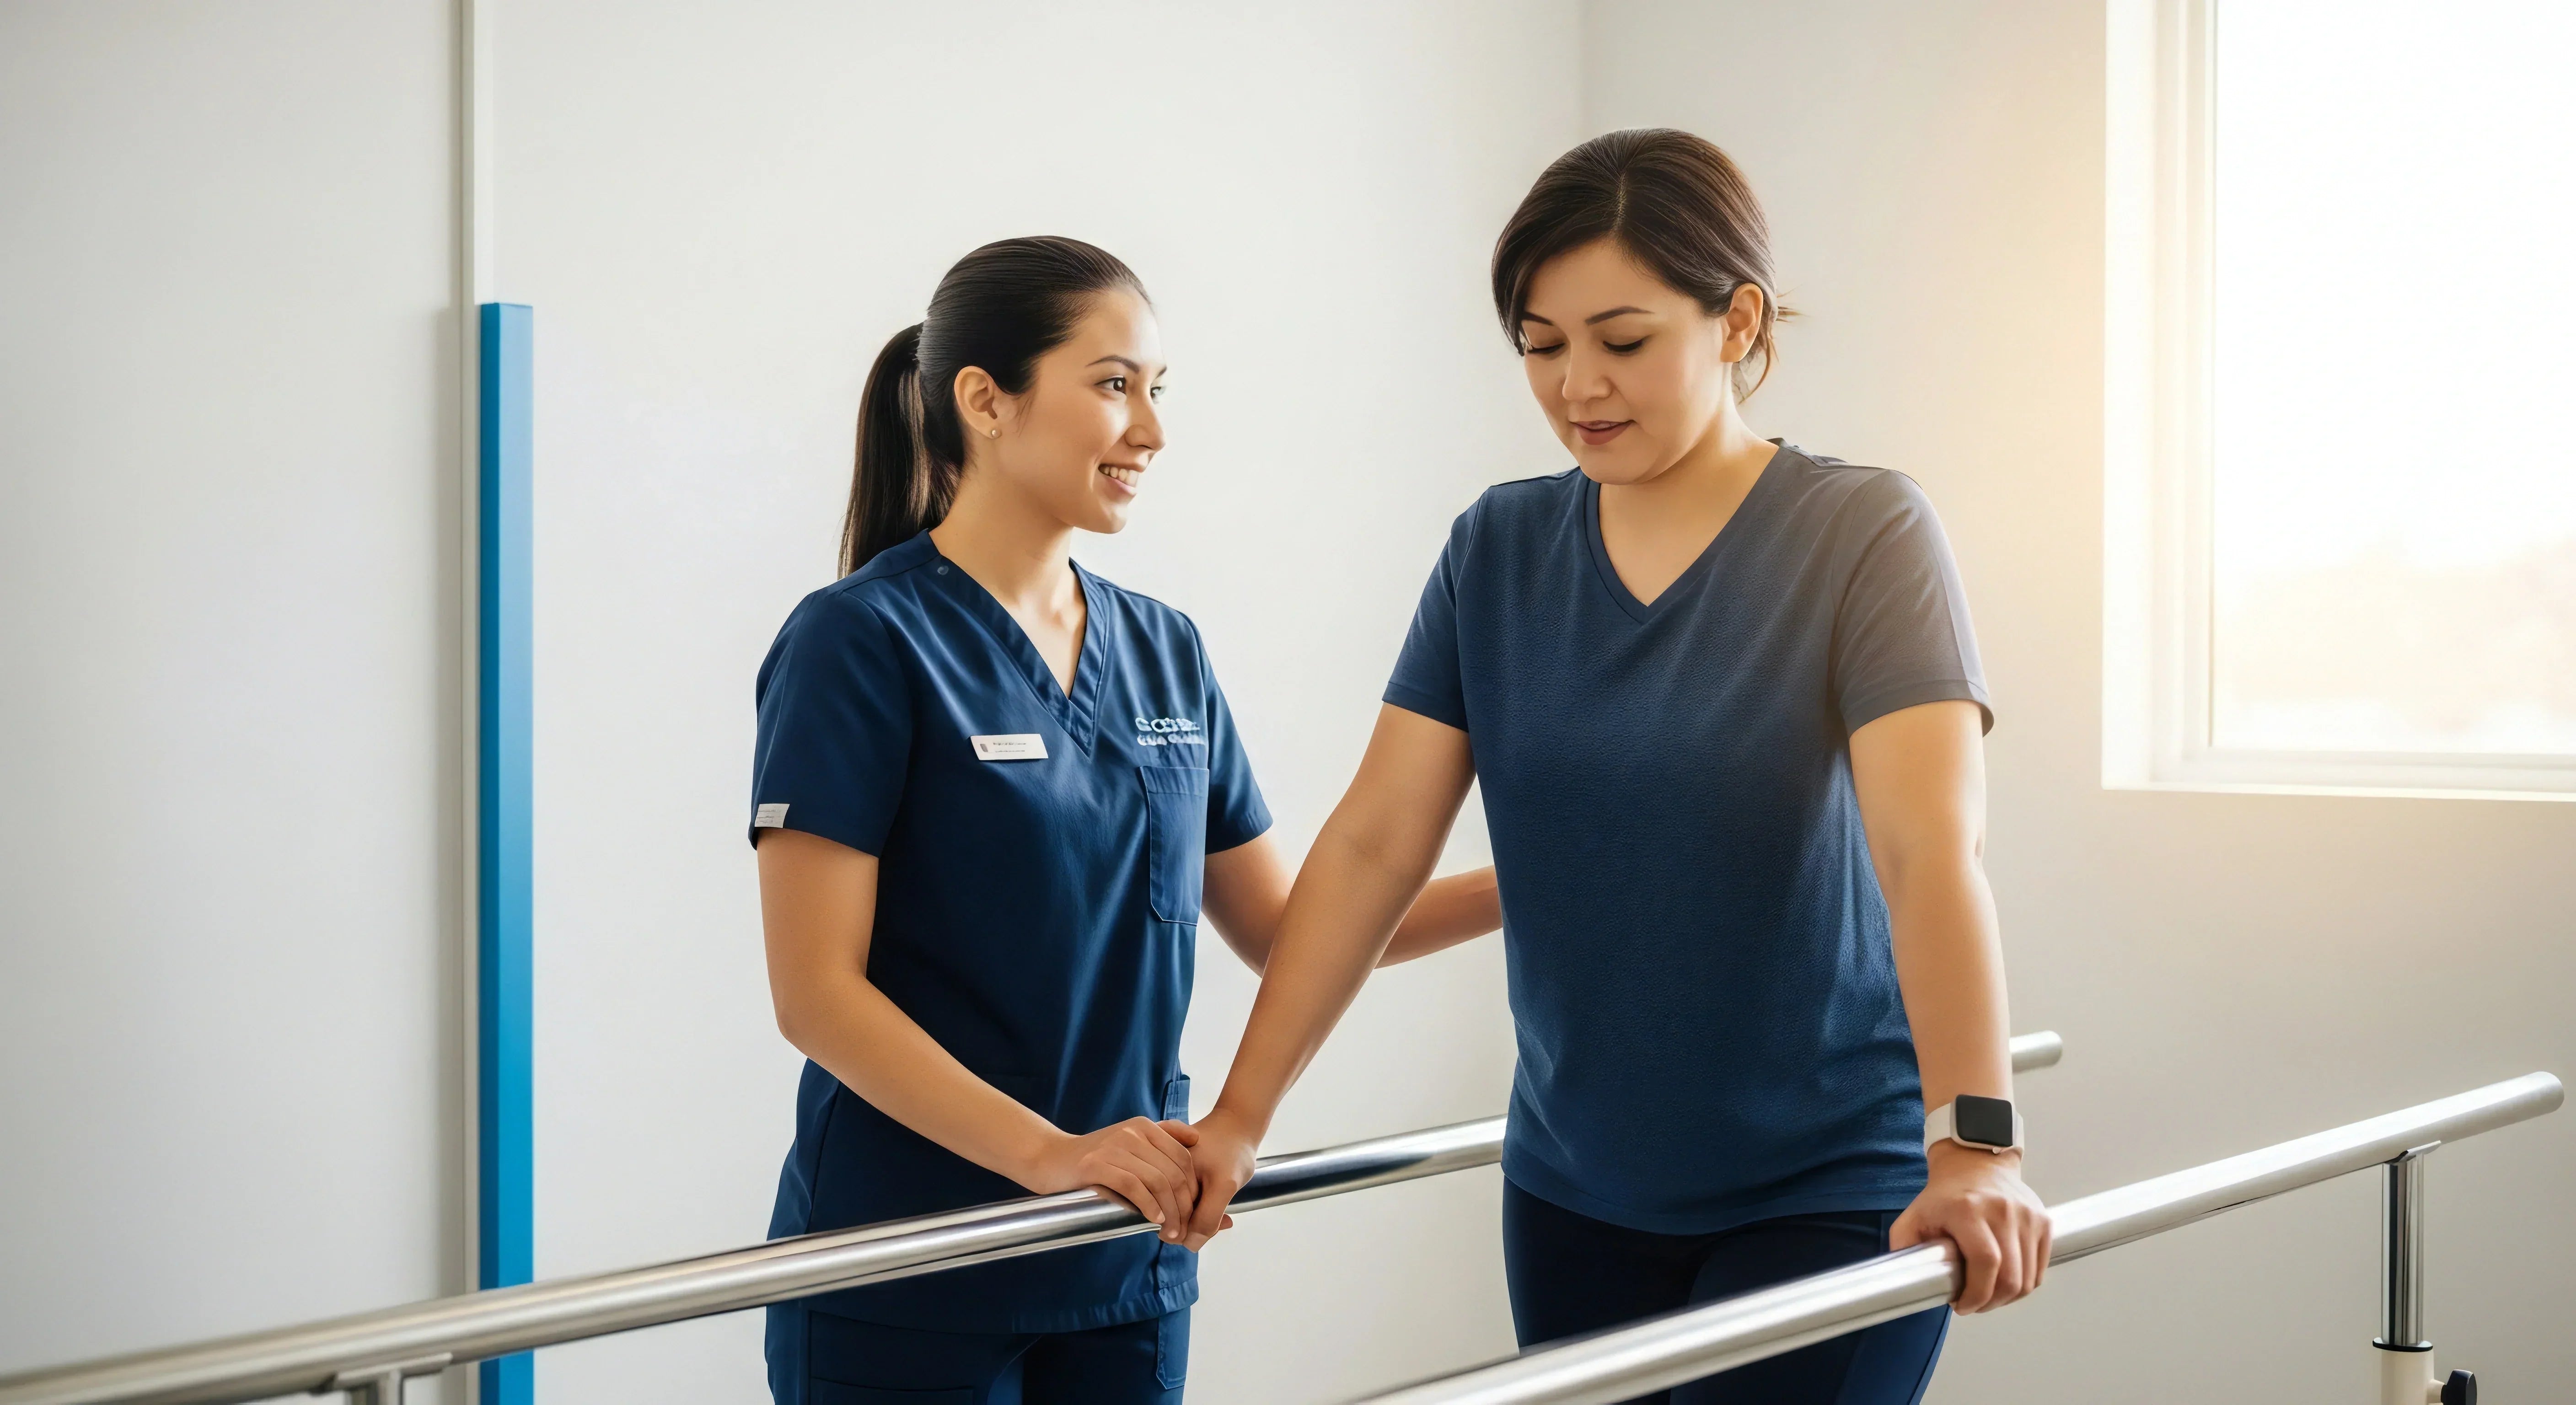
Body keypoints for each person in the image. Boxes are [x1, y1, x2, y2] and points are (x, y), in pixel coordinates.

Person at [1178, 131, 2049, 1405]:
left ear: (1736, 318)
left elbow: (1930, 856)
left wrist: (1975, 1147)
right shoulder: (1499, 549)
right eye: (1542, 345)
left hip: (1826, 1189)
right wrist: (1239, 1123)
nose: (1578, 383)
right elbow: (1373, 847)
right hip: (1574, 1198)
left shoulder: (1863, 532)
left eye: (1623, 341)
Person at [749, 236, 1497, 1405]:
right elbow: (815, 995)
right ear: (985, 402)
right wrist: (1052, 1157)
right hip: (907, 1269)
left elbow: (1293, 929)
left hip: (1121, 1262)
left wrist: (1540, 878)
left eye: (1157, 390)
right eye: (1112, 385)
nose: (1150, 428)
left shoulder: (1165, 650)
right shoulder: (858, 643)